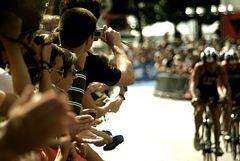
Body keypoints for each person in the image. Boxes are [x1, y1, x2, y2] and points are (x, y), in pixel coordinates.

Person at [190, 46, 231, 155]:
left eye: (212, 63)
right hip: (201, 90)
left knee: (216, 117)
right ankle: (197, 134)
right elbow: (193, 84)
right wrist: (194, 96)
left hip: (213, 91)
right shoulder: (199, 67)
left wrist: (225, 96)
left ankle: (217, 144)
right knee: (199, 110)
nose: (210, 66)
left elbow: (225, 85)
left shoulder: (219, 68)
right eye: (208, 64)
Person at [220, 49, 240, 140]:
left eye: (235, 63)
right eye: (230, 64)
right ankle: (226, 129)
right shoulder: (223, 66)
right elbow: (220, 83)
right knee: (227, 108)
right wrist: (224, 95)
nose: (233, 66)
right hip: (227, 87)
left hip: (237, 87)